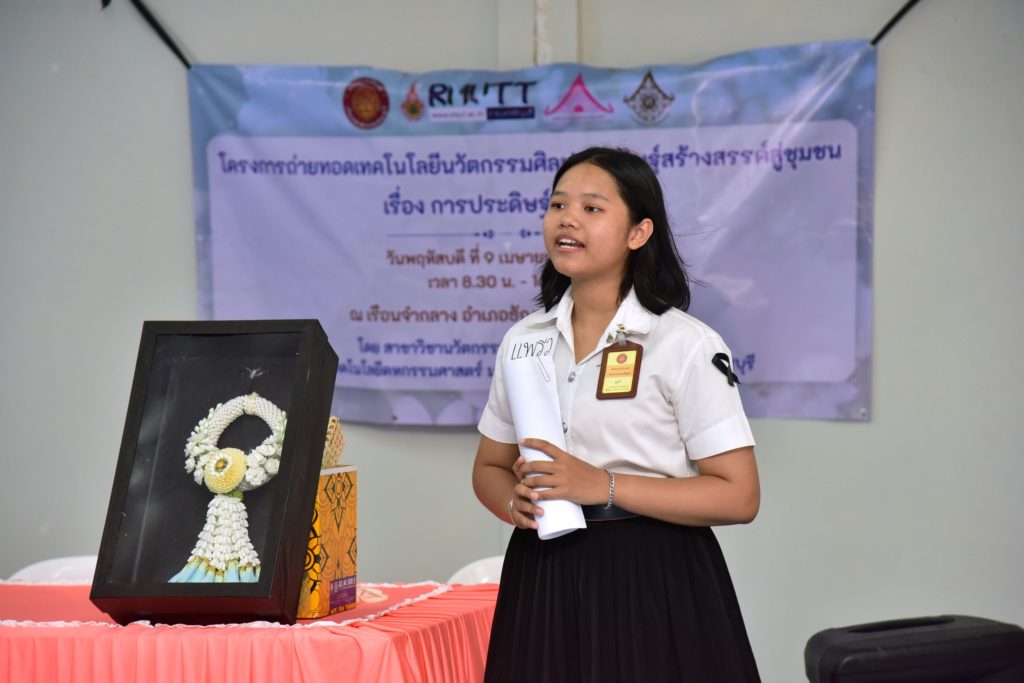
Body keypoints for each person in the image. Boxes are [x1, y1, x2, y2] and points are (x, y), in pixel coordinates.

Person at [471, 146, 761, 681]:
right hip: (543, 575)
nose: (568, 219)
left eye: (592, 208)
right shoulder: (523, 340)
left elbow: (739, 495)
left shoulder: (685, 344)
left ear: (639, 233)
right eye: (558, 205)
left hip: (654, 578)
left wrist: (602, 485)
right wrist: (515, 503)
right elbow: (489, 467)